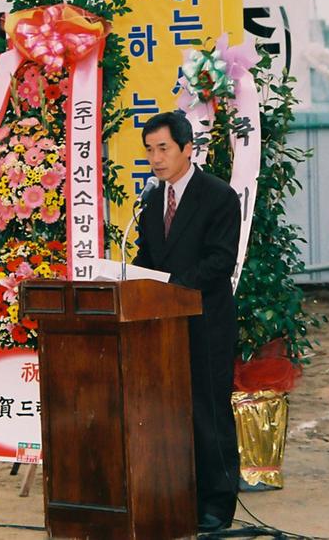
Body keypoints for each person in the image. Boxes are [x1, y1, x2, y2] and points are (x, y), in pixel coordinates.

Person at [133, 110, 241, 532]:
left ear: (187, 149)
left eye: (163, 149)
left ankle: (218, 505)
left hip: (205, 322)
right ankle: (181, 496)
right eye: (149, 150)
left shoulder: (218, 196)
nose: (156, 159)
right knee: (170, 415)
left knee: (207, 412)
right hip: (162, 327)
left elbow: (220, 261)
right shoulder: (151, 199)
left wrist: (171, 286)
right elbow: (147, 257)